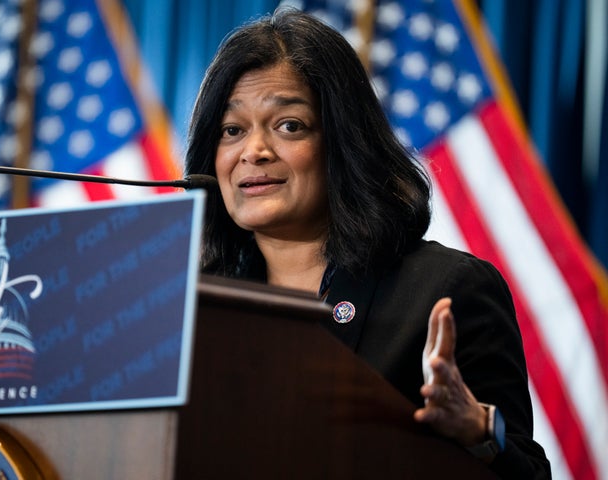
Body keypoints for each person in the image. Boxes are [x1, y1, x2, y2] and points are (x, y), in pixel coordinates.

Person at [184, 7, 551, 479]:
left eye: (288, 125)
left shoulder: (448, 291)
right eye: (232, 131)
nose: (253, 151)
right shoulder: (196, 307)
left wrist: (478, 432)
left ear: (343, 141)